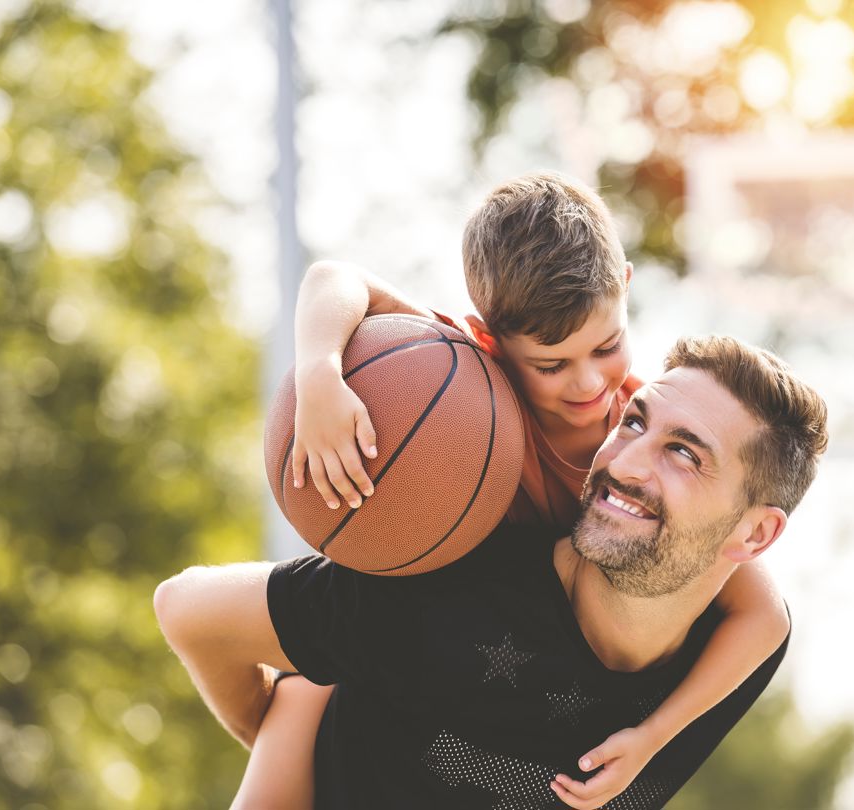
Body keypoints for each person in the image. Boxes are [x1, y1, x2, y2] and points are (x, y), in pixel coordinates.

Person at [241, 173, 789, 808]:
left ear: (627, 289)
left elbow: (765, 615)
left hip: (484, 679)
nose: (588, 384)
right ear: (489, 340)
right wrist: (319, 373)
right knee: (305, 690)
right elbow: (334, 280)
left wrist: (652, 737)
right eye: (551, 365)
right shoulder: (460, 398)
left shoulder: (639, 442)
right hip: (380, 640)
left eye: (606, 346)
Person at [154, 334, 829, 809]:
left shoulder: (733, 651)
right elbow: (185, 608)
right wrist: (273, 724)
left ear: (756, 533)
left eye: (684, 453)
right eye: (634, 422)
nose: (624, 463)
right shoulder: (439, 594)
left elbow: (766, 615)